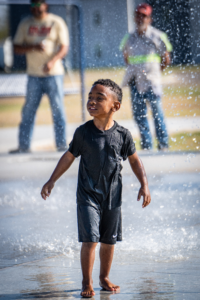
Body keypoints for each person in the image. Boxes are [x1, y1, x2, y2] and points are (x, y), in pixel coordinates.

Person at [41, 79, 151, 298]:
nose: (91, 101)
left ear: (115, 106)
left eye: (99, 98)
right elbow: (69, 157)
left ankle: (104, 277)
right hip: (87, 195)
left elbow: (135, 161)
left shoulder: (123, 135)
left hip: (113, 196)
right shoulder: (83, 133)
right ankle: (87, 281)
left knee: (108, 241)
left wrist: (144, 184)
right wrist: (52, 180)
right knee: (90, 239)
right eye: (90, 97)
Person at [10, 0, 69, 153]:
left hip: (54, 74)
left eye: (39, 4)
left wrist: (52, 62)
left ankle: (62, 146)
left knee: (58, 111)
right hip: (33, 75)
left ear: (45, 5)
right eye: (33, 5)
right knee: (28, 111)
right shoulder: (25, 23)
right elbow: (16, 47)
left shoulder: (56, 22)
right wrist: (33, 47)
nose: (35, 8)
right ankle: (23, 147)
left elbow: (64, 47)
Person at [120, 3, 172, 150]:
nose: (140, 18)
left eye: (144, 16)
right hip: (135, 81)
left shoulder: (158, 36)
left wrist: (154, 72)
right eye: (138, 15)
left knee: (157, 113)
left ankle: (163, 144)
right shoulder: (129, 37)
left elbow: (165, 59)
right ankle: (147, 144)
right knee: (139, 115)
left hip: (152, 82)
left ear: (150, 18)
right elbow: (126, 57)